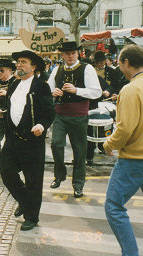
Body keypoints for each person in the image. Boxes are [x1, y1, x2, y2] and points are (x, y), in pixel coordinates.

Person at [0, 50, 55, 231]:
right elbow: (12, 109)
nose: (19, 65)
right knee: (6, 173)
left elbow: (48, 112)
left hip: (32, 140)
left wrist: (41, 126)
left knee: (33, 180)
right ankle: (25, 201)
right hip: (13, 139)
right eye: (18, 62)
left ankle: (31, 217)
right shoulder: (13, 85)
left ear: (33, 67)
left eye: (23, 62)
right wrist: (1, 114)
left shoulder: (41, 86)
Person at [47, 41, 102, 198]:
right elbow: (47, 88)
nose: (70, 56)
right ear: (62, 55)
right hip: (60, 114)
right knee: (56, 144)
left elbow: (96, 92)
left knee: (79, 150)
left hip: (78, 115)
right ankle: (59, 175)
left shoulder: (87, 68)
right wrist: (53, 92)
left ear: (78, 53)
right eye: (67, 53)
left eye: (73, 53)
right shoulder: (57, 69)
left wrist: (76, 90)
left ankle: (78, 184)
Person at [103, 45, 143, 256]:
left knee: (114, 207)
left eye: (119, 63)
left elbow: (125, 127)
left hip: (134, 159)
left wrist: (109, 144)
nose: (119, 67)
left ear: (126, 62)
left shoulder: (130, 89)